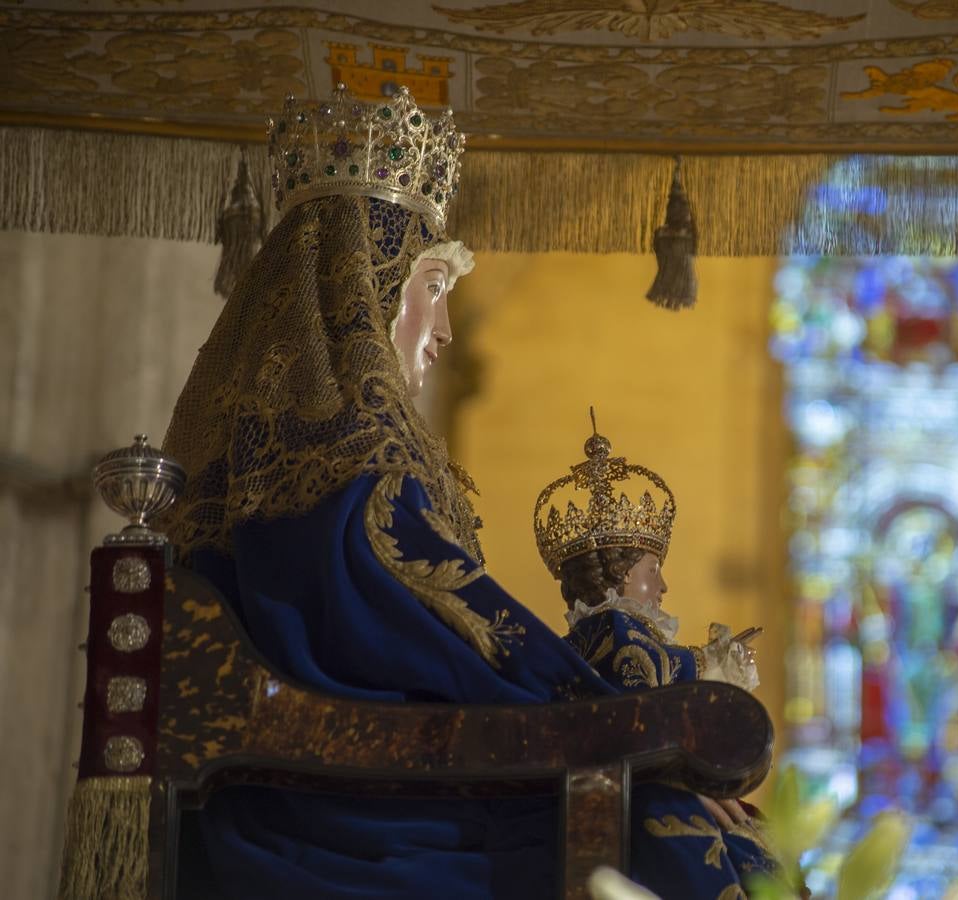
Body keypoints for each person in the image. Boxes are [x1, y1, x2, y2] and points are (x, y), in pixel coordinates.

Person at [161, 84, 776, 898]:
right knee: (682, 828)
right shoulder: (352, 473)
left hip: (346, 784)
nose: (443, 330)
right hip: (353, 815)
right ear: (364, 290)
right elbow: (463, 641)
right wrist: (653, 732)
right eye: (433, 289)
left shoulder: (286, 465)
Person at [535, 417, 767, 840]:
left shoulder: (585, 637)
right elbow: (644, 682)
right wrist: (719, 661)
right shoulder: (616, 628)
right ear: (622, 574)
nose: (662, 586)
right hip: (634, 793)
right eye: (653, 569)